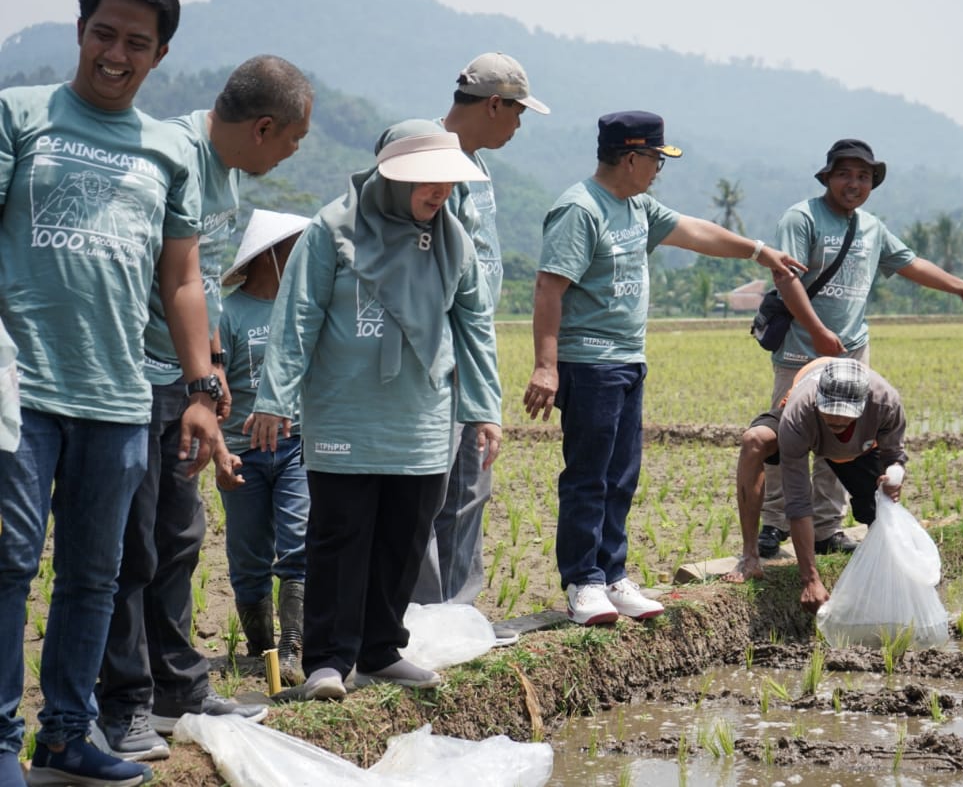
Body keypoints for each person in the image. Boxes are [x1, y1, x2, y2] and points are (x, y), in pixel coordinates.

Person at [0, 0, 220, 787]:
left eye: (137, 42)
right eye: (104, 34)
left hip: (121, 396)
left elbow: (183, 281)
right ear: (81, 29)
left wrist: (201, 390)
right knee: (10, 562)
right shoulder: (21, 115)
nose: (115, 55)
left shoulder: (169, 150)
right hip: (21, 388)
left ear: (160, 55)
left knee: (97, 573)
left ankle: (64, 733)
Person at [95, 55, 312, 762]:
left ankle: (178, 687)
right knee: (131, 546)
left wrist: (210, 374)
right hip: (134, 374)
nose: (293, 153)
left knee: (177, 538)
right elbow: (163, 278)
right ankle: (123, 702)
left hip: (183, 379)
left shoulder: (226, 174)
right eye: (293, 139)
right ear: (264, 126)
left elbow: (201, 293)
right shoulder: (171, 154)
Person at [247, 126, 501, 701]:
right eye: (427, 182)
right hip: (346, 415)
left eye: (447, 182)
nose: (439, 193)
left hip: (422, 417)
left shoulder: (452, 240)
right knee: (340, 536)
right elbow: (297, 317)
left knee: (405, 536)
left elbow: (476, 327)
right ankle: (328, 662)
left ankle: (382, 649)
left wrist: (485, 408)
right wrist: (275, 398)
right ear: (393, 175)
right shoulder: (332, 229)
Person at [522, 111, 804, 626]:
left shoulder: (638, 206)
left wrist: (759, 252)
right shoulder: (580, 209)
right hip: (589, 363)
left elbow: (695, 231)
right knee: (589, 475)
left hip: (629, 361)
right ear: (631, 157)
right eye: (655, 159)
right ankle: (582, 581)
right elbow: (548, 287)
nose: (658, 169)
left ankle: (612, 574)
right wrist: (546, 366)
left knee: (622, 474)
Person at [756, 139, 963, 561]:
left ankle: (827, 528)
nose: (854, 183)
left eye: (863, 176)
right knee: (782, 438)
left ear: (872, 183)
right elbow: (785, 278)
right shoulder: (802, 217)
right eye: (845, 173)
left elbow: (908, 263)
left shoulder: (871, 227)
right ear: (827, 176)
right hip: (800, 352)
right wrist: (819, 331)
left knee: (841, 439)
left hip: (852, 350)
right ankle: (773, 525)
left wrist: (961, 287)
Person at [410, 53, 549, 644]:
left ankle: (459, 614)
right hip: (437, 351)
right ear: (494, 104)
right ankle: (419, 618)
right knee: (427, 484)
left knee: (471, 483)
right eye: (517, 112)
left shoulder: (477, 166)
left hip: (475, 347)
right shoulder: (430, 160)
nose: (518, 125)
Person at [214, 208, 313, 685]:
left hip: (295, 447)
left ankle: (293, 651)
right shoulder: (228, 313)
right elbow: (213, 388)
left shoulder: (303, 309)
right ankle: (264, 653)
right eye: (293, 247)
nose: (301, 256)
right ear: (271, 254)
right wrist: (218, 450)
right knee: (248, 556)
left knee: (297, 544)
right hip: (242, 451)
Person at [727, 357, 909, 613]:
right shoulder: (799, 412)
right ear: (819, 399)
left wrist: (894, 475)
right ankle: (749, 558)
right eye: (829, 413)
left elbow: (894, 456)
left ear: (862, 406)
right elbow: (798, 501)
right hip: (803, 425)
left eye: (843, 417)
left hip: (858, 446)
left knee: (877, 511)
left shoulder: (884, 403)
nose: (834, 421)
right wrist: (810, 579)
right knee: (754, 440)